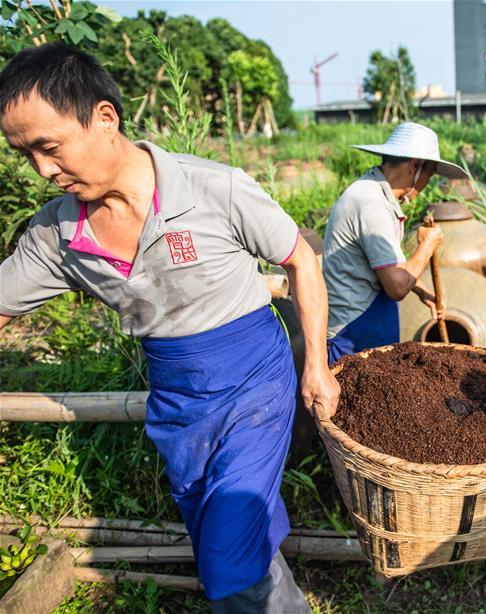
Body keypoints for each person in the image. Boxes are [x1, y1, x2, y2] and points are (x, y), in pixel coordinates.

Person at [0, 44, 339, 612]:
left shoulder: (216, 190)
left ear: (104, 118)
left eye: (50, 148)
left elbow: (301, 260)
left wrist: (317, 365)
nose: (43, 171)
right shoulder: (56, 235)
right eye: (25, 154)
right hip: (177, 397)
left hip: (254, 379)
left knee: (228, 547)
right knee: (216, 519)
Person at [322, 122, 468, 363]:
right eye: (428, 176)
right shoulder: (372, 205)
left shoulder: (374, 194)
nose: (425, 185)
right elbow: (397, 287)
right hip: (353, 334)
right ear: (414, 167)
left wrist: (421, 289)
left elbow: (386, 265)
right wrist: (427, 246)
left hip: (368, 324)